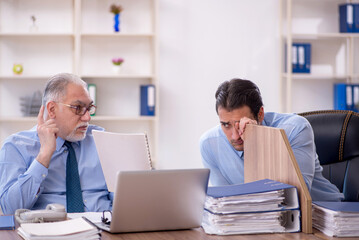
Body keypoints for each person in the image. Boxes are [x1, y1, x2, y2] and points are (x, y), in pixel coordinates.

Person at [200, 78, 344, 201]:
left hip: (325, 218)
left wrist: (257, 140)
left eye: (240, 125)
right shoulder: (210, 144)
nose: (235, 136)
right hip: (265, 222)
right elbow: (226, 202)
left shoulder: (296, 128)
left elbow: (295, 195)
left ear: (260, 114)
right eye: (226, 125)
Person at [0, 73, 112, 215]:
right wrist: (44, 155)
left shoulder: (101, 139)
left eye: (89, 108)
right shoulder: (16, 146)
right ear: (52, 109)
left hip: (102, 229)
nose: (87, 117)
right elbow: (10, 209)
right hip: (49, 230)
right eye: (78, 108)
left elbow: (122, 200)